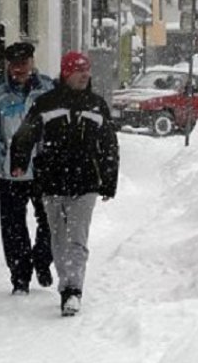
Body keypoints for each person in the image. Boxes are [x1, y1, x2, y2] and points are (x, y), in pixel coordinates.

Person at [10, 51, 120, 317]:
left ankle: (73, 290)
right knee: (58, 240)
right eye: (78, 70)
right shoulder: (47, 104)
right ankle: (65, 285)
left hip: (85, 184)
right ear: (66, 73)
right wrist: (19, 161)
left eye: (87, 70)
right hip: (52, 182)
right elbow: (26, 134)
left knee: (77, 239)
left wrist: (109, 180)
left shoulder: (96, 105)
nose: (84, 75)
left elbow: (109, 145)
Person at [0, 42, 54, 295]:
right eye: (13, 64)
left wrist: (52, 156)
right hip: (13, 174)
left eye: (23, 63)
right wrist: (3, 160)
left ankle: (43, 262)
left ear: (32, 62)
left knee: (51, 222)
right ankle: (20, 277)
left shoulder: (48, 89)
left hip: (44, 170)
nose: (18, 69)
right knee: (12, 229)